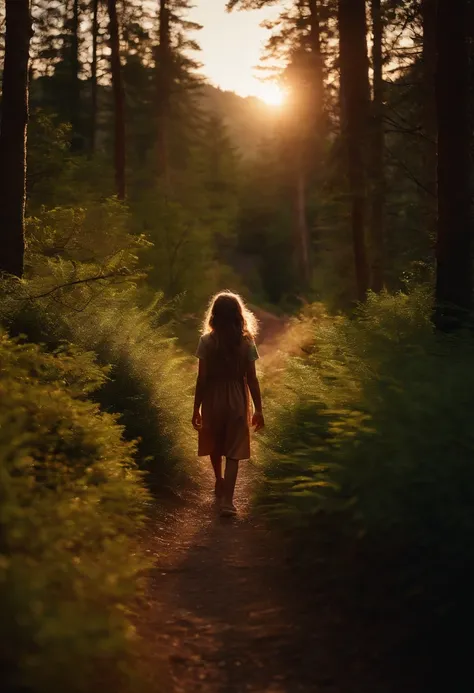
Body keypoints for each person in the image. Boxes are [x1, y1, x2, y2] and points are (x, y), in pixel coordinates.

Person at [192, 291, 265, 517]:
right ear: (238, 315)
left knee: (215, 441)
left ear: (213, 315)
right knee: (233, 450)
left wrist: (196, 408)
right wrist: (259, 409)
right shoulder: (246, 342)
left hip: (213, 398)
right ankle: (228, 501)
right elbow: (252, 379)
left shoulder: (206, 341)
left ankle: (219, 480)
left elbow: (202, 379)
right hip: (237, 397)